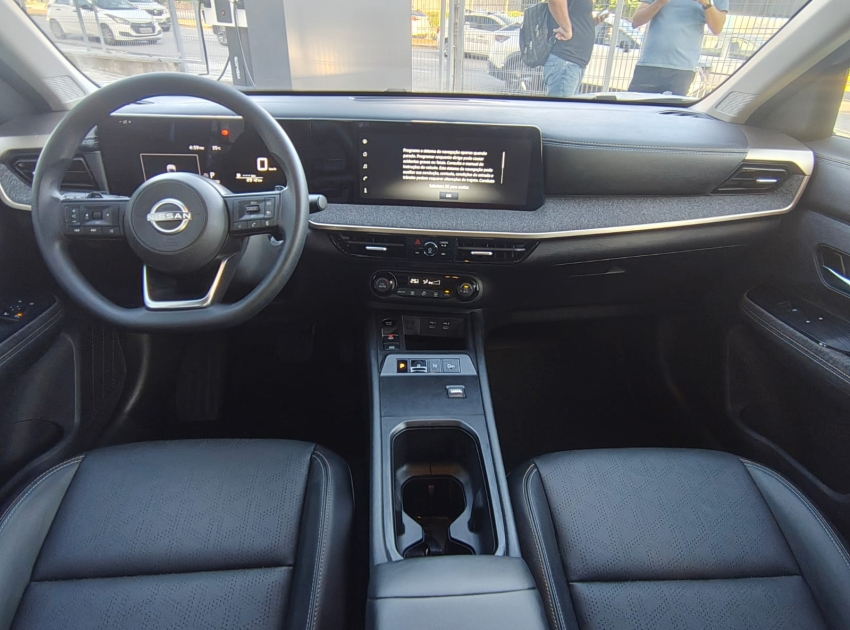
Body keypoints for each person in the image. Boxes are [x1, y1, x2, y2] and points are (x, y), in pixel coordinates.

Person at [628, 0, 729, 96]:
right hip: (649, 64)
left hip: (682, 69)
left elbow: (717, 28)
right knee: (634, 106)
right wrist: (659, 2)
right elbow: (636, 21)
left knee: (670, 108)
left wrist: (707, 3)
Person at [544, 0, 597, 97]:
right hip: (566, 60)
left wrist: (589, 22)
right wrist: (566, 29)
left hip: (572, 62)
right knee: (562, 106)